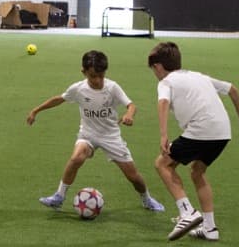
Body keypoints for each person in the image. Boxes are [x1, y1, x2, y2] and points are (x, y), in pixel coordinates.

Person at [26, 50, 166, 215]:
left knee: (133, 176)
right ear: (83, 72)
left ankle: (147, 198)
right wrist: (36, 110)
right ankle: (59, 196)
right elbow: (59, 99)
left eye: (101, 75)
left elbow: (131, 105)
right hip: (88, 134)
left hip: (110, 136)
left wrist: (129, 115)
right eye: (93, 76)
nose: (98, 80)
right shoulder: (78, 89)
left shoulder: (112, 87)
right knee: (76, 157)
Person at [148, 41, 239, 242]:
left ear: (158, 67)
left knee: (162, 164)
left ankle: (187, 212)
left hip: (201, 130)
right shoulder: (199, 76)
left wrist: (163, 135)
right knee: (197, 172)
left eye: (153, 69)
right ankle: (210, 228)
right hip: (222, 132)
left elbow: (163, 103)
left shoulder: (165, 82)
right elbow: (232, 89)